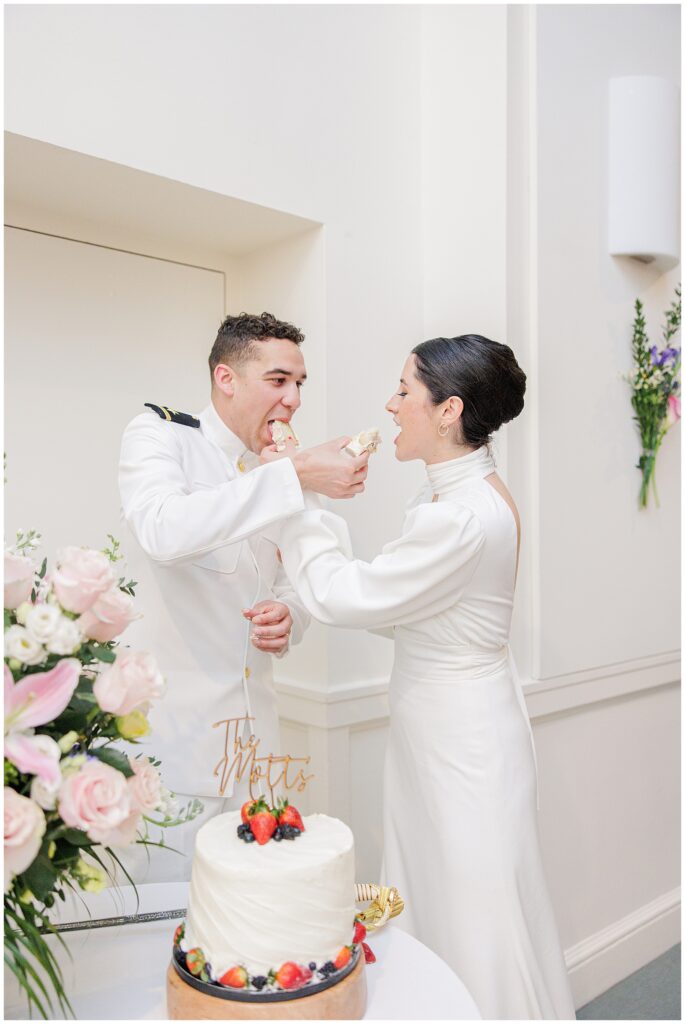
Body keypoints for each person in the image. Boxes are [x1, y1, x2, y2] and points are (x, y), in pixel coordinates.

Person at [268, 334, 576, 1019]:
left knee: (472, 914)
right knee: (438, 899)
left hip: (460, 744)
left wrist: (295, 492)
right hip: (442, 731)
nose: (390, 403)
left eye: (404, 390)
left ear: (448, 410)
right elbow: (402, 608)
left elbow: (349, 596)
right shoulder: (451, 501)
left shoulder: (461, 517)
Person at [117, 311, 370, 881]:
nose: (295, 399)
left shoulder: (279, 464)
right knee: (168, 924)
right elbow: (163, 531)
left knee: (256, 915)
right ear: (226, 378)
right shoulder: (160, 436)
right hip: (175, 755)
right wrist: (296, 475)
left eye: (300, 384)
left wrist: (292, 615)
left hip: (259, 750)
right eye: (279, 381)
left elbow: (296, 579)